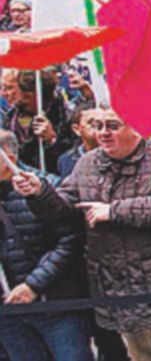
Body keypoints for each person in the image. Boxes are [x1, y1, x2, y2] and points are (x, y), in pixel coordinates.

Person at [14, 107, 151, 360]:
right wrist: (39, 192)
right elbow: (64, 209)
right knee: (141, 356)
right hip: (116, 288)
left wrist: (114, 211)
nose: (103, 133)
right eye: (98, 126)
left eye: (113, 126)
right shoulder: (88, 162)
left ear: (136, 127)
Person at [0, 130, 92, 361]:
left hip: (52, 303)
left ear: (7, 156)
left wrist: (33, 284)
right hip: (7, 311)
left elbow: (71, 240)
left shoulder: (45, 187)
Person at [1, 68, 75, 171]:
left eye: (8, 88)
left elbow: (74, 162)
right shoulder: (10, 118)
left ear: (29, 92)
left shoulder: (68, 115)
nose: (3, 94)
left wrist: (53, 140)